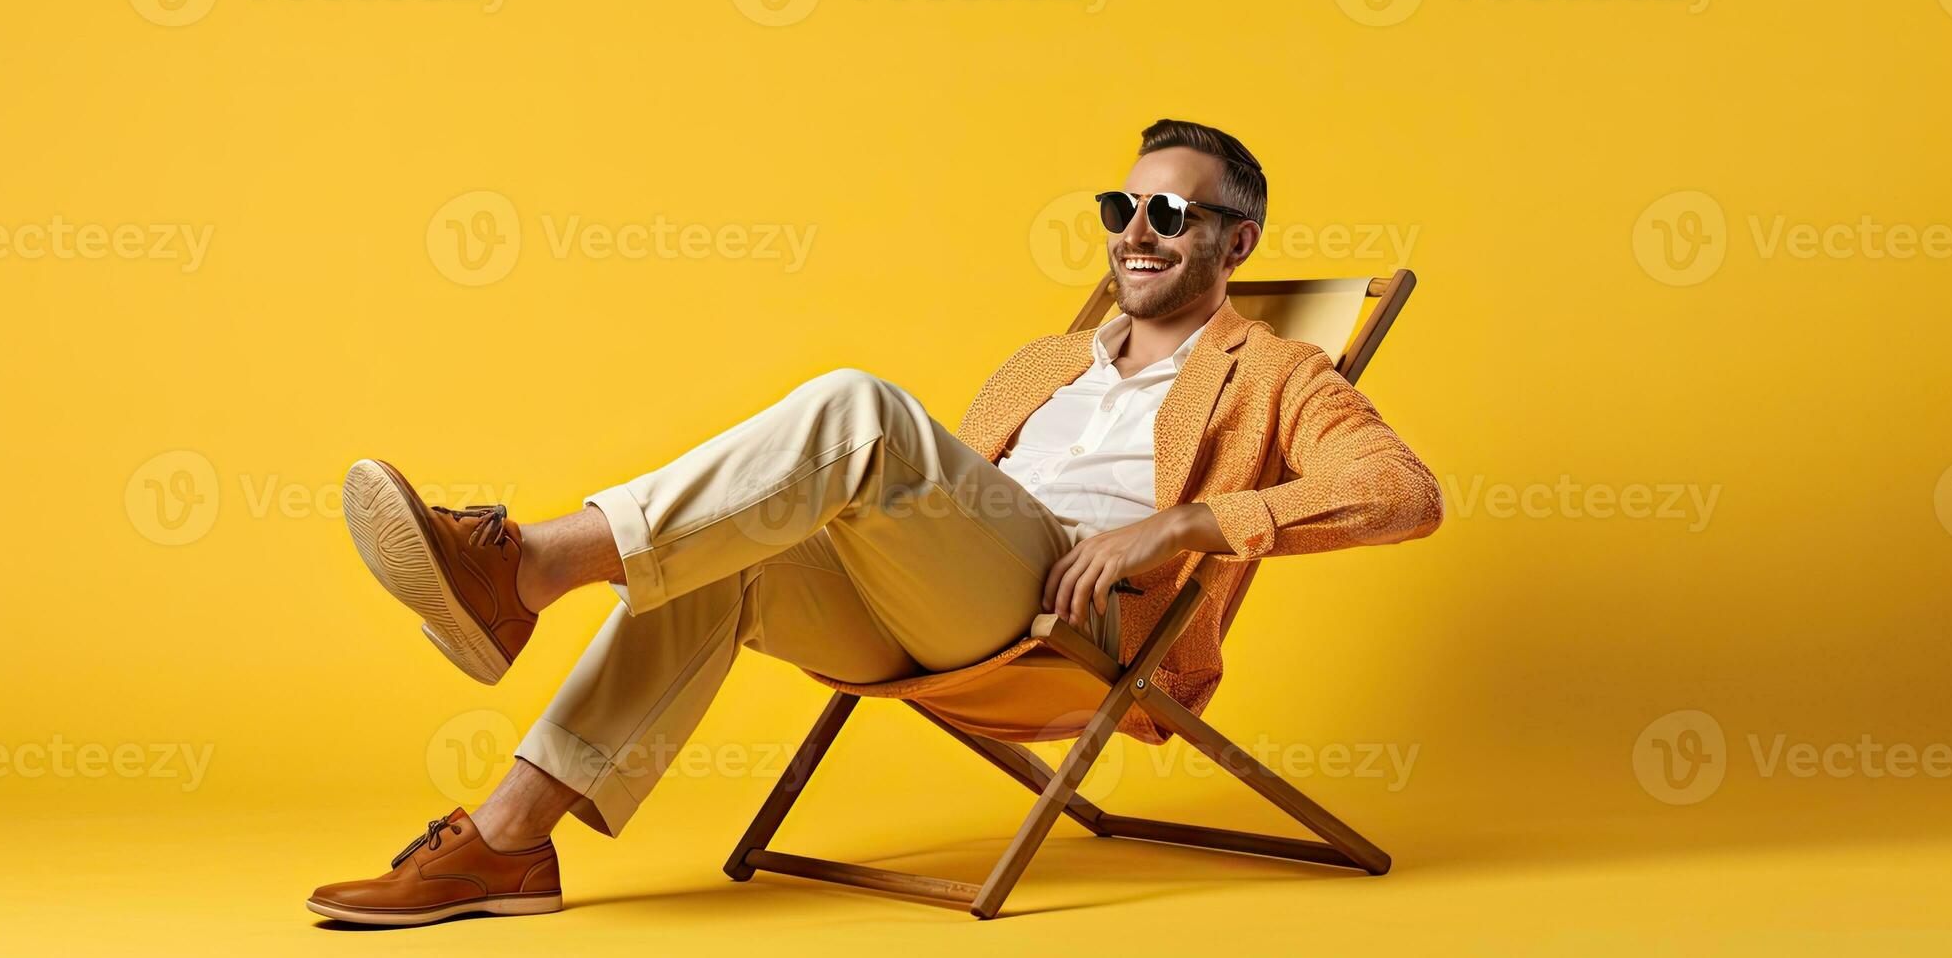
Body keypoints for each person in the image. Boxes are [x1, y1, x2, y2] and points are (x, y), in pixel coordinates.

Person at [306, 118, 1443, 926]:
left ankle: (532, 570)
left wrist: (1187, 521)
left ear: (1234, 243)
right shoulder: (1044, 362)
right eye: (1120, 207)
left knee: (857, 405)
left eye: (1170, 213)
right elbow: (913, 506)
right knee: (732, 549)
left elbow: (1404, 493)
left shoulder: (1280, 372)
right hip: (945, 602)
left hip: (1075, 624)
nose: (1135, 233)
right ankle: (507, 839)